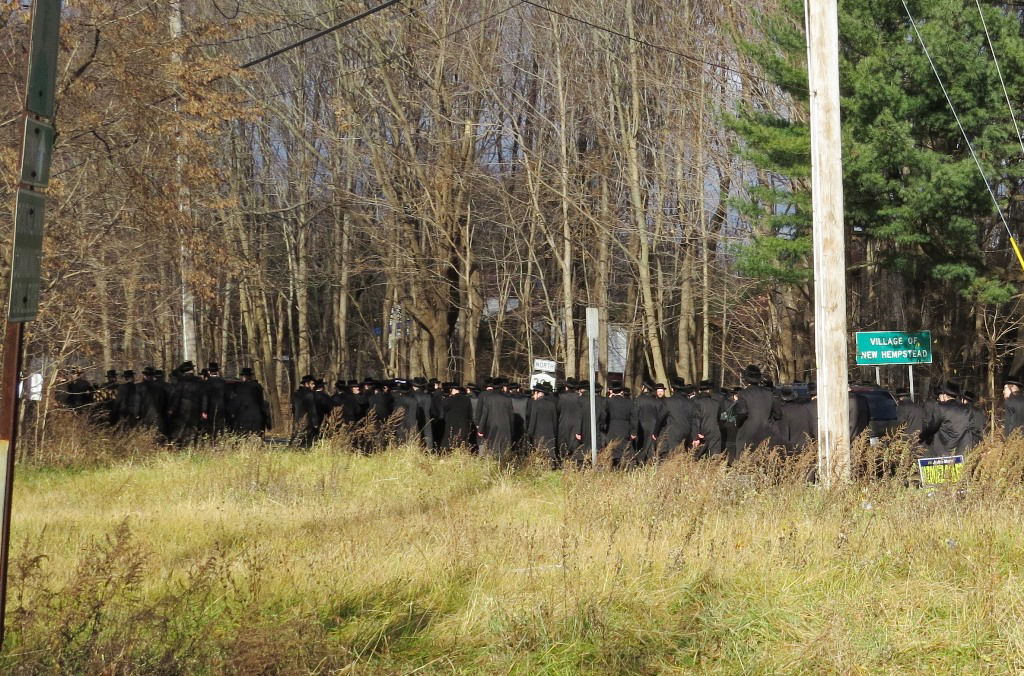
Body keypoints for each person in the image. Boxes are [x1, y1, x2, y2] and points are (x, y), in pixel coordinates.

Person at [732, 365, 780, 462]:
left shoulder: (743, 394)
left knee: (744, 461)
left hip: (748, 433)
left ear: (746, 379)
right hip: (767, 432)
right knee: (765, 461)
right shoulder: (769, 393)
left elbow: (742, 412)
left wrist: (738, 423)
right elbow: (778, 414)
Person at [923, 381, 976, 457]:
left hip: (944, 450)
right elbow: (971, 428)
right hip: (962, 449)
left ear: (945, 395)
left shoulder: (940, 407)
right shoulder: (967, 408)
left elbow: (932, 428)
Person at [168, 361, 205, 446]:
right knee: (194, 429)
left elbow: (177, 397)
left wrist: (172, 409)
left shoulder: (181, 382)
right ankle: (192, 445)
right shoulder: (199, 381)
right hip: (196, 408)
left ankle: (180, 445)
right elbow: (204, 396)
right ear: (192, 370)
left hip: (182, 409)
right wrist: (204, 409)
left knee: (181, 428)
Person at [630, 381, 666, 465]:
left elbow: (634, 415)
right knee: (650, 447)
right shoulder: (656, 401)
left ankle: (640, 463)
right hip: (654, 427)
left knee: (641, 447)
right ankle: (649, 464)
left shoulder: (638, 400)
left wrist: (633, 431)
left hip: (641, 427)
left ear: (644, 388)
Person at [660, 377, 694, 459]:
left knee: (671, 455)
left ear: (672, 389)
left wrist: (655, 432)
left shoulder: (668, 401)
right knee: (683, 455)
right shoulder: (690, 402)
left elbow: (660, 417)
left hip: (672, 432)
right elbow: (693, 419)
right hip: (687, 432)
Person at [526, 383, 558, 467]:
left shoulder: (535, 404)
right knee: (549, 454)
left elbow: (533, 420)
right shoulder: (552, 404)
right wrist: (554, 433)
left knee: (539, 455)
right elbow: (555, 421)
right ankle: (550, 468)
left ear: (537, 393)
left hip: (538, 434)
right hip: (550, 434)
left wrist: (530, 433)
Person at [228, 367, 269, 435]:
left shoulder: (240, 387)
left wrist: (232, 411)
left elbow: (237, 402)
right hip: (256, 416)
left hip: (243, 417)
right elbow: (261, 402)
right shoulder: (258, 386)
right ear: (251, 376)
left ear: (244, 376)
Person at [690, 380, 723, 457]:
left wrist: (696, 436)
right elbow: (719, 419)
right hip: (715, 432)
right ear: (709, 390)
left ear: (699, 390)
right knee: (714, 459)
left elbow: (696, 420)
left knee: (697, 459)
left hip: (702, 434)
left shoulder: (696, 402)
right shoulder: (716, 403)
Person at [604, 382, 634, 468]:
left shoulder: (608, 401)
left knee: (613, 449)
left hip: (611, 428)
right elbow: (633, 417)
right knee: (623, 449)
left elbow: (604, 415)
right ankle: (623, 467)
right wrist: (633, 430)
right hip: (625, 428)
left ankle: (614, 467)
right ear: (622, 391)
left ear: (612, 391)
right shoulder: (629, 402)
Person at [441, 383, 474, 451]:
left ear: (455, 390)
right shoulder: (467, 399)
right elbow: (469, 413)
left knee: (450, 441)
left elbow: (444, 408)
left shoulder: (450, 399)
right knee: (462, 441)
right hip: (463, 423)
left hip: (451, 423)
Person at [290, 374, 320, 447]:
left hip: (297, 420)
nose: (314, 386)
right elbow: (312, 409)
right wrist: (315, 423)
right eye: (312, 384)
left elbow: (293, 408)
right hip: (308, 421)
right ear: (306, 384)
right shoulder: (310, 395)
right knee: (306, 443)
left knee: (296, 439)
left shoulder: (296, 394)